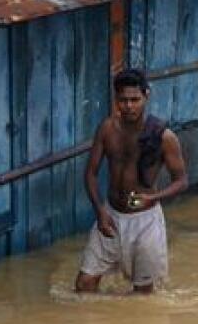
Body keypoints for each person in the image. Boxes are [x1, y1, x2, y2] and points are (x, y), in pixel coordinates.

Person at [74, 68, 188, 294]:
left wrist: (153, 197)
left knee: (143, 295)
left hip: (145, 221)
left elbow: (182, 181)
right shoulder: (107, 129)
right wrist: (100, 211)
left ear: (146, 96)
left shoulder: (164, 137)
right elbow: (91, 173)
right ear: (116, 100)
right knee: (84, 284)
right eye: (123, 100)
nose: (128, 106)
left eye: (135, 100)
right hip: (111, 215)